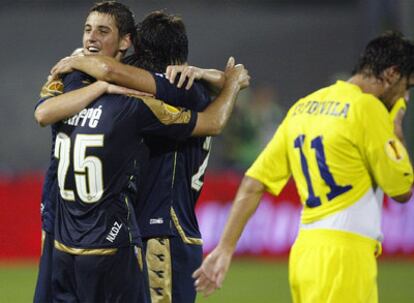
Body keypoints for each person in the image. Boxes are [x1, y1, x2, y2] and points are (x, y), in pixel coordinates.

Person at [34, 2, 249, 302]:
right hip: (175, 228)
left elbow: (109, 71)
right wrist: (223, 78)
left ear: (132, 44)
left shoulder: (151, 93)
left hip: (155, 230)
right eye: (88, 30)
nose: (91, 38)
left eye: (102, 31)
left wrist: (81, 63)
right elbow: (224, 87)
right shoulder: (195, 89)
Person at [193, 31, 414, 303]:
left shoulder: (303, 107)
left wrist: (224, 249)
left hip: (305, 254)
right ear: (392, 74)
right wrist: (396, 128)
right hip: (346, 255)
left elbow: (254, 182)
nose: (405, 95)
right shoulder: (368, 109)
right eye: (407, 85)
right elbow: (401, 189)